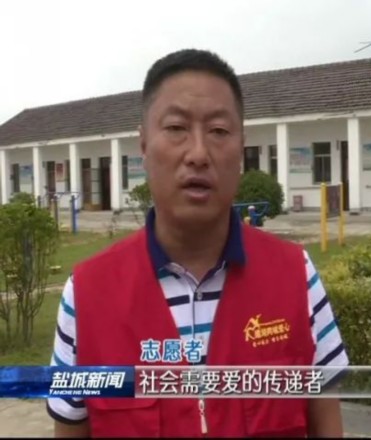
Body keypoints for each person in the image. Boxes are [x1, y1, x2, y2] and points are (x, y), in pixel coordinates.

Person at [46, 49, 349, 438]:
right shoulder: (87, 294)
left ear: (241, 149)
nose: (199, 154)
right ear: (143, 145)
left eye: (219, 131)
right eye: (176, 128)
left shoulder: (296, 277)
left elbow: (327, 423)